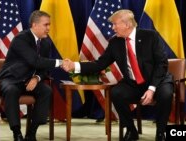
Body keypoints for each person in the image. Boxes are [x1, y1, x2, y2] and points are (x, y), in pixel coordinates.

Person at [62, 9, 173, 141]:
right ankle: (131, 130)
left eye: (115, 24)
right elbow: (100, 64)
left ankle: (161, 132)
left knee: (166, 94)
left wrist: (151, 88)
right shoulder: (115, 42)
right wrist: (74, 66)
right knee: (116, 93)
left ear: (127, 24)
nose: (112, 28)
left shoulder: (151, 36)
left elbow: (162, 64)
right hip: (133, 83)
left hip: (158, 81)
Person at [0, 10, 64, 141]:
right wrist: (60, 62)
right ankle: (17, 133)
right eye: (46, 25)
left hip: (29, 80)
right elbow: (35, 61)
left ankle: (31, 133)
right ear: (34, 25)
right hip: (11, 78)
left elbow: (43, 67)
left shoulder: (45, 42)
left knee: (46, 91)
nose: (49, 28)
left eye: (49, 25)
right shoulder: (21, 38)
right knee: (11, 91)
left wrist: (37, 78)